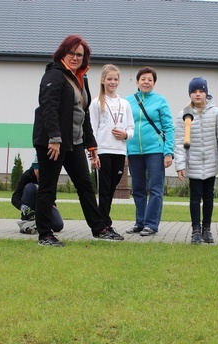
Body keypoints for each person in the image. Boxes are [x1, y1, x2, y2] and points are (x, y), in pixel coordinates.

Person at [32, 35, 123, 247]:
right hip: (52, 142)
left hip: (74, 142)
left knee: (85, 185)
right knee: (48, 187)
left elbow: (84, 114)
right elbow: (48, 108)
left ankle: (99, 228)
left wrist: (91, 146)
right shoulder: (54, 76)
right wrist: (54, 138)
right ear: (63, 53)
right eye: (71, 53)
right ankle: (45, 235)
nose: (75, 57)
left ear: (85, 58)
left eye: (79, 54)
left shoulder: (80, 78)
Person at [174, 77, 218, 244]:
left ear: (206, 93)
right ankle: (195, 230)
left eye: (201, 91)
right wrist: (180, 165)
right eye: (194, 92)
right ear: (190, 94)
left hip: (210, 163)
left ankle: (207, 228)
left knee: (208, 197)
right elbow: (180, 142)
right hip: (194, 164)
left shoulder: (216, 113)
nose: (198, 95)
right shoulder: (184, 114)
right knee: (194, 198)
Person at [125, 67, 175, 236]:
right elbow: (123, 127)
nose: (146, 82)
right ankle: (140, 222)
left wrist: (168, 152)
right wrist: (124, 152)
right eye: (143, 79)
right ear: (137, 81)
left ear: (154, 83)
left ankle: (151, 224)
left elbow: (169, 127)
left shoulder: (160, 101)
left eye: (150, 80)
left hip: (155, 150)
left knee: (155, 188)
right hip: (133, 151)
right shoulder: (127, 102)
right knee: (138, 188)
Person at [89, 64, 135, 226]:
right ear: (103, 80)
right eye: (109, 79)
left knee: (112, 187)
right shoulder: (96, 103)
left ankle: (103, 219)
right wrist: (93, 153)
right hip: (103, 150)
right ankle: (103, 222)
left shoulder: (125, 104)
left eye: (115, 79)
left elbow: (131, 128)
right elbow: (92, 129)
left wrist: (125, 135)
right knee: (104, 188)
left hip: (120, 151)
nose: (113, 82)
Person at [11, 158, 64, 234]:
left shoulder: (49, 176)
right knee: (30, 187)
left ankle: (38, 222)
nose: (40, 175)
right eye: (38, 171)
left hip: (45, 205)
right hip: (30, 206)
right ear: (35, 168)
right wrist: (22, 207)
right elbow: (15, 198)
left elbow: (52, 196)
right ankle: (28, 221)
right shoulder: (26, 176)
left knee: (58, 225)